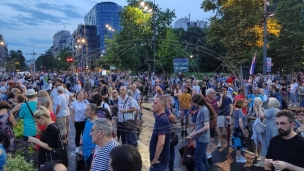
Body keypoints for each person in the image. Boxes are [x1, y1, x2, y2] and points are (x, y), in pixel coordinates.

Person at [190, 94, 215, 171]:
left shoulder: (203, 110)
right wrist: (193, 133)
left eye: (193, 102)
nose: (192, 104)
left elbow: (206, 126)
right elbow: (199, 125)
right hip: (202, 138)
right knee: (203, 158)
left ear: (197, 102)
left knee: (197, 159)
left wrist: (195, 133)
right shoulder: (201, 109)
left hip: (202, 138)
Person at [254, 97, 280, 167]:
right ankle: (273, 162)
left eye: (269, 102)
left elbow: (261, 116)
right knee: (274, 146)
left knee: (266, 145)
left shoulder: (271, 110)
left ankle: (263, 162)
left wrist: (259, 107)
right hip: (276, 130)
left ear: (272, 104)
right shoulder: (278, 110)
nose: (268, 103)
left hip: (269, 130)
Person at [150, 96, 171, 171]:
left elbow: (161, 142)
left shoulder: (162, 120)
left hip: (159, 162)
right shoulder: (160, 118)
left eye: (155, 103)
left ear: (162, 106)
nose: (153, 105)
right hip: (159, 161)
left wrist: (155, 160)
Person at [232, 99, 249, 163]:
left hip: (236, 129)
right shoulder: (240, 112)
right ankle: (238, 157)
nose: (245, 104)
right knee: (239, 143)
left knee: (238, 142)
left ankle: (238, 155)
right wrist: (244, 131)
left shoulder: (235, 110)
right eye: (244, 103)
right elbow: (240, 122)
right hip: (239, 130)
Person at [82, 103, 99, 168]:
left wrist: (95, 149)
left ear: (93, 112)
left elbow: (103, 138)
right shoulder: (88, 120)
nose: (85, 112)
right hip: (85, 151)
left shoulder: (98, 123)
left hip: (92, 153)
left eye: (87, 110)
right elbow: (85, 132)